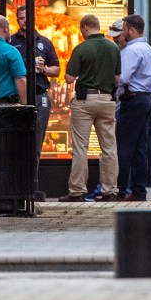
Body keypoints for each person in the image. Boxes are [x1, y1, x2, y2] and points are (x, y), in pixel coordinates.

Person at [60, 14, 121, 202]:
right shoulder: (113, 47)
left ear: (85, 28)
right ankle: (110, 190)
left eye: (81, 30)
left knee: (80, 148)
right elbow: (117, 78)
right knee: (109, 148)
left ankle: (77, 191)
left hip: (85, 101)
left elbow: (69, 78)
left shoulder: (81, 48)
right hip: (107, 100)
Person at [115, 14, 151, 201]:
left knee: (123, 146)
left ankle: (121, 189)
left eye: (124, 29)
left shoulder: (132, 51)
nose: (123, 33)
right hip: (146, 99)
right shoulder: (148, 49)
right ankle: (139, 190)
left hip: (132, 100)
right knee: (140, 147)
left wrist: (112, 80)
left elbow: (123, 78)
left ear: (131, 31)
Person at [10, 5, 60, 153]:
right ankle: (18, 176)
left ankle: (33, 176)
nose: (25, 21)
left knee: (36, 144)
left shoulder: (44, 42)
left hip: (39, 96)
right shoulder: (11, 42)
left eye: (28, 18)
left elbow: (56, 70)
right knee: (16, 143)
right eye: (21, 18)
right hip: (16, 98)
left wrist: (43, 69)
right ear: (17, 20)